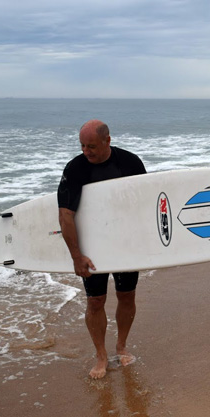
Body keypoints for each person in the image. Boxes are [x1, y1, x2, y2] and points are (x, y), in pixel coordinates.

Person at [57, 119, 146, 379]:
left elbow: (145, 204)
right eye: (82, 146)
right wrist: (76, 256)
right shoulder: (75, 168)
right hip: (92, 246)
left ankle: (121, 346)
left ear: (108, 140)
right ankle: (101, 355)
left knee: (126, 295)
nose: (86, 151)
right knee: (95, 301)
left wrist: (146, 245)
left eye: (92, 146)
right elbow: (65, 214)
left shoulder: (130, 163)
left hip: (124, 243)